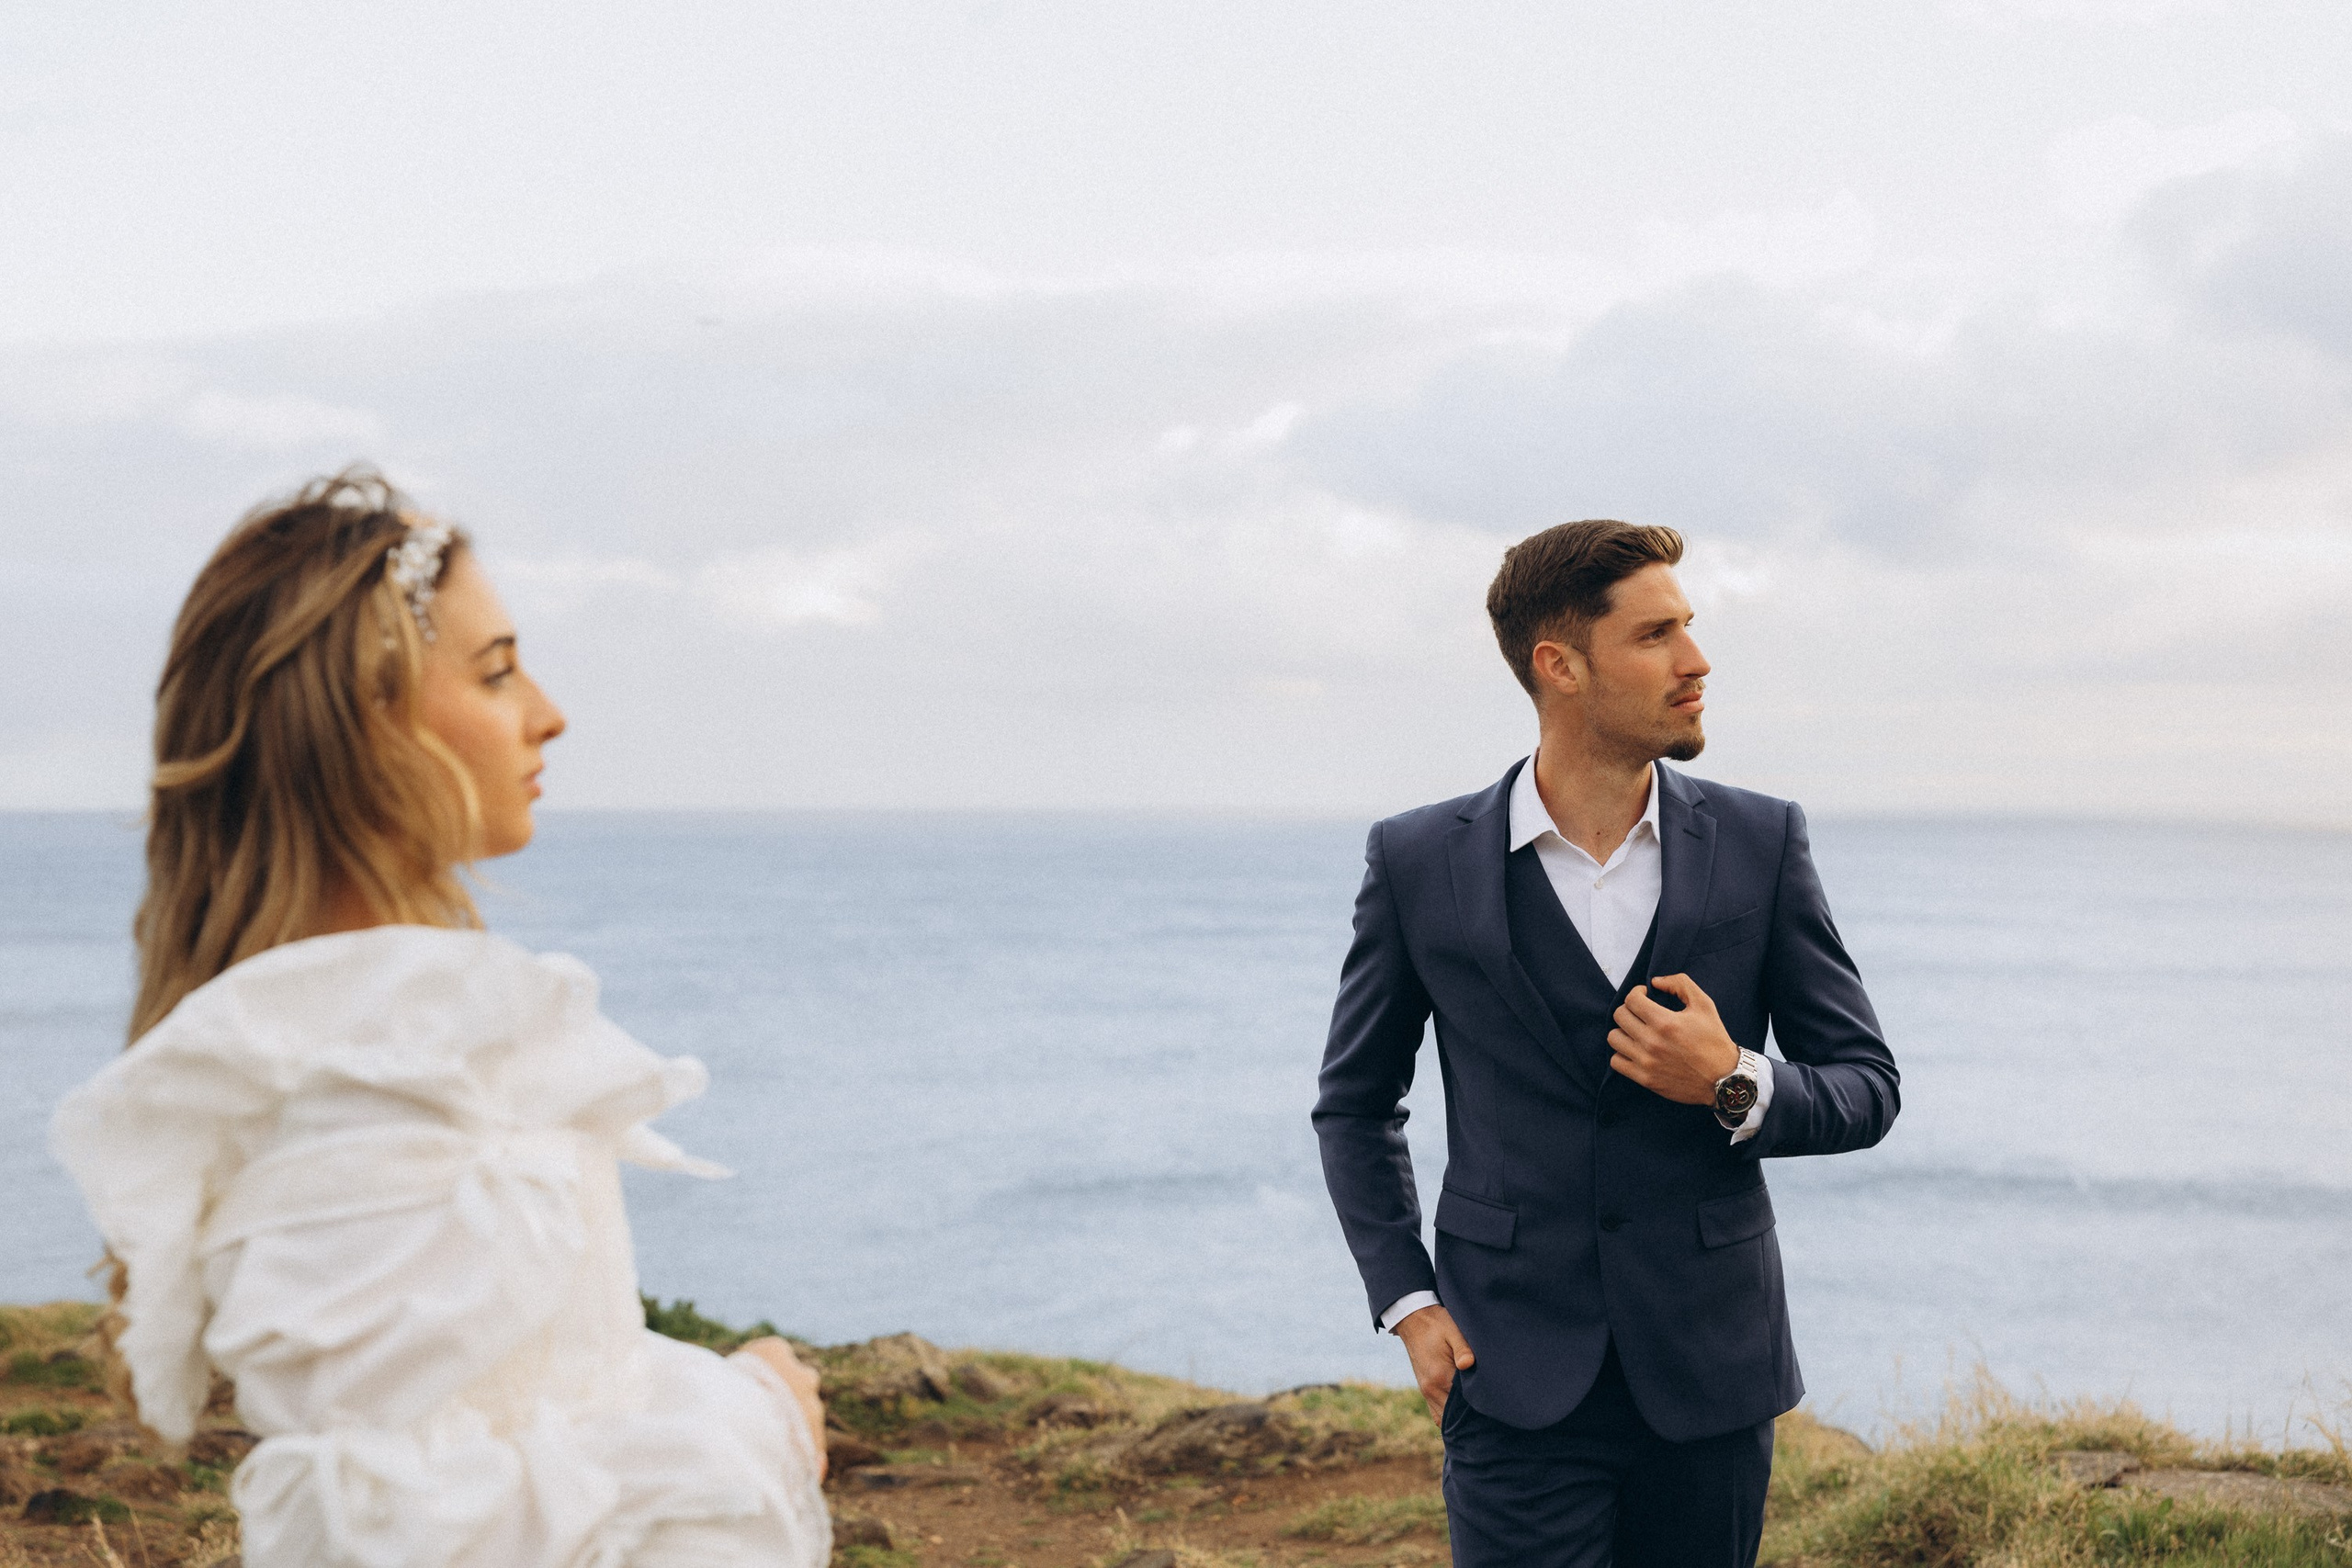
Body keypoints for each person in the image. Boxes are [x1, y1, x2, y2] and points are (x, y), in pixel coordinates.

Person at [51, 472, 832, 1567]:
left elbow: (512, 1401)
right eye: (497, 670)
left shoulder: (346, 1031)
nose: (548, 713)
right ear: (366, 721)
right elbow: (398, 1520)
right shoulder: (385, 1057)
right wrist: (761, 1422)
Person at [1311, 519, 1900, 1568]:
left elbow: (1867, 1087)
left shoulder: (1761, 844)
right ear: (1560, 666)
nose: (1696, 661)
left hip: (1711, 1369)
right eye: (1656, 635)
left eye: (1690, 628)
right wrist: (1407, 1304)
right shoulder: (1416, 860)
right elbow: (1356, 1104)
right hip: (1508, 1369)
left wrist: (1731, 1080)